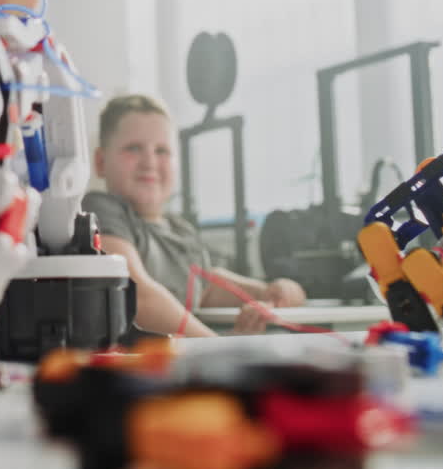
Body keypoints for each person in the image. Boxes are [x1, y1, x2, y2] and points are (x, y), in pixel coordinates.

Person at [82, 94, 306, 336]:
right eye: (133, 148)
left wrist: (270, 293)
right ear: (101, 162)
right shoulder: (99, 210)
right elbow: (135, 294)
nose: (150, 162)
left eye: (162, 151)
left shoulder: (180, 230)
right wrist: (217, 346)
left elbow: (205, 288)